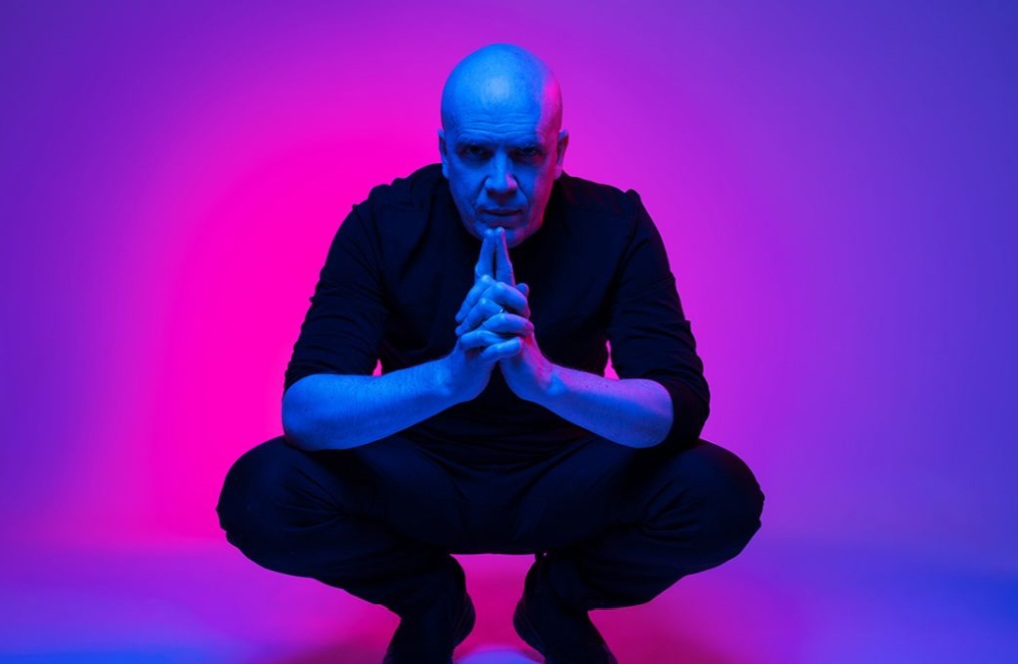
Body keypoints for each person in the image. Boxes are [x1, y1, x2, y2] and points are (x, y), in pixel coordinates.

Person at [216, 43, 764, 664]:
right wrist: (450, 378)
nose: (501, 184)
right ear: (445, 152)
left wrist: (546, 381)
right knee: (262, 493)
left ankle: (557, 602)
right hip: (419, 477)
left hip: (568, 477)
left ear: (558, 153)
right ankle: (430, 598)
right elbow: (306, 411)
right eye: (476, 153)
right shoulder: (382, 224)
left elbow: (679, 407)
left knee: (719, 495)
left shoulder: (617, 225)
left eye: (526, 154)